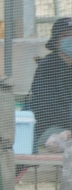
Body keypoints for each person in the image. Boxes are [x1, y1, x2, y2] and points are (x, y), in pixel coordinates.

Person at [30, 17, 72, 147]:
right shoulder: (47, 67)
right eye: (65, 36)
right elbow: (46, 108)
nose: (70, 39)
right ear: (55, 42)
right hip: (51, 129)